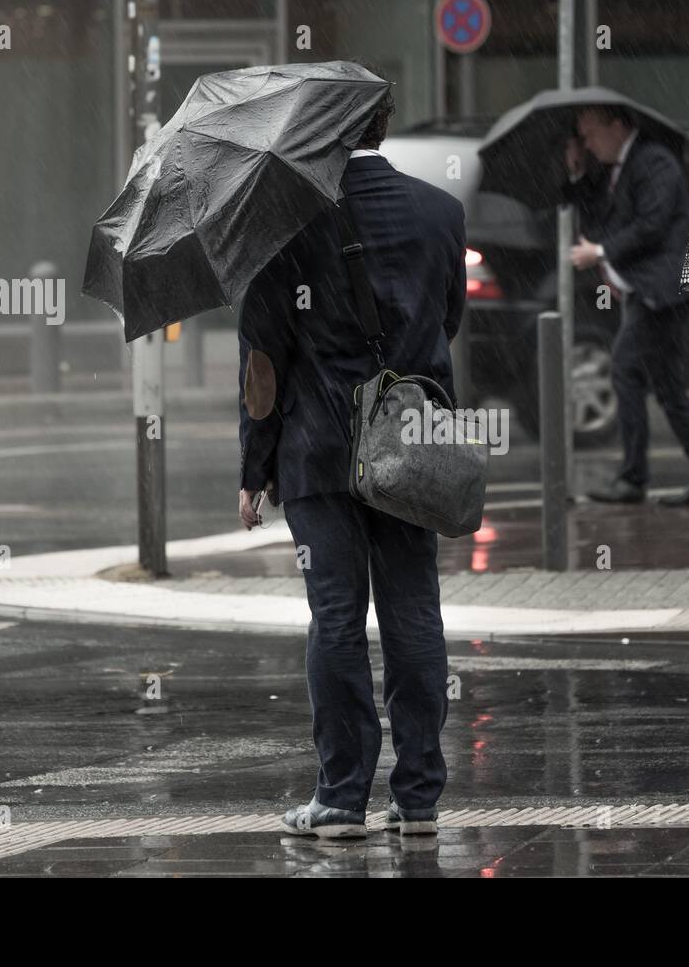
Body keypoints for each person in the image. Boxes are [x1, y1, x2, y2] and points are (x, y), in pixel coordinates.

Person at [237, 79, 465, 840]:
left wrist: (253, 470)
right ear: (382, 125)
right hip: (412, 450)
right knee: (413, 612)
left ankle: (339, 798)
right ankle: (421, 798)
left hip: (321, 453)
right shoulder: (441, 213)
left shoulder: (284, 223)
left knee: (335, 615)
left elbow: (263, 364)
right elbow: (447, 323)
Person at [562, 104, 689, 506]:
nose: (587, 143)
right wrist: (579, 173)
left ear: (618, 126)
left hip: (663, 290)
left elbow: (653, 223)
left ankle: (634, 478)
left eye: (590, 133)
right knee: (667, 386)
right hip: (645, 290)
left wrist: (600, 251)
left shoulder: (653, 161)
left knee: (624, 368)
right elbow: (599, 218)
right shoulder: (615, 169)